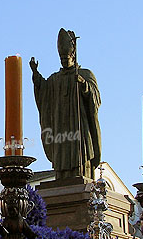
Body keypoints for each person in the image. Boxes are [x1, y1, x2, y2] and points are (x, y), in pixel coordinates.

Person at [31, 28, 102, 180]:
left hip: (79, 129)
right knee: (62, 154)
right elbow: (44, 93)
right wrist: (36, 75)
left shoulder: (85, 74)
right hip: (61, 128)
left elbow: (96, 100)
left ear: (73, 55)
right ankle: (62, 177)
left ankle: (81, 173)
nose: (64, 61)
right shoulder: (55, 79)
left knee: (80, 157)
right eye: (61, 58)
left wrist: (84, 86)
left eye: (66, 58)